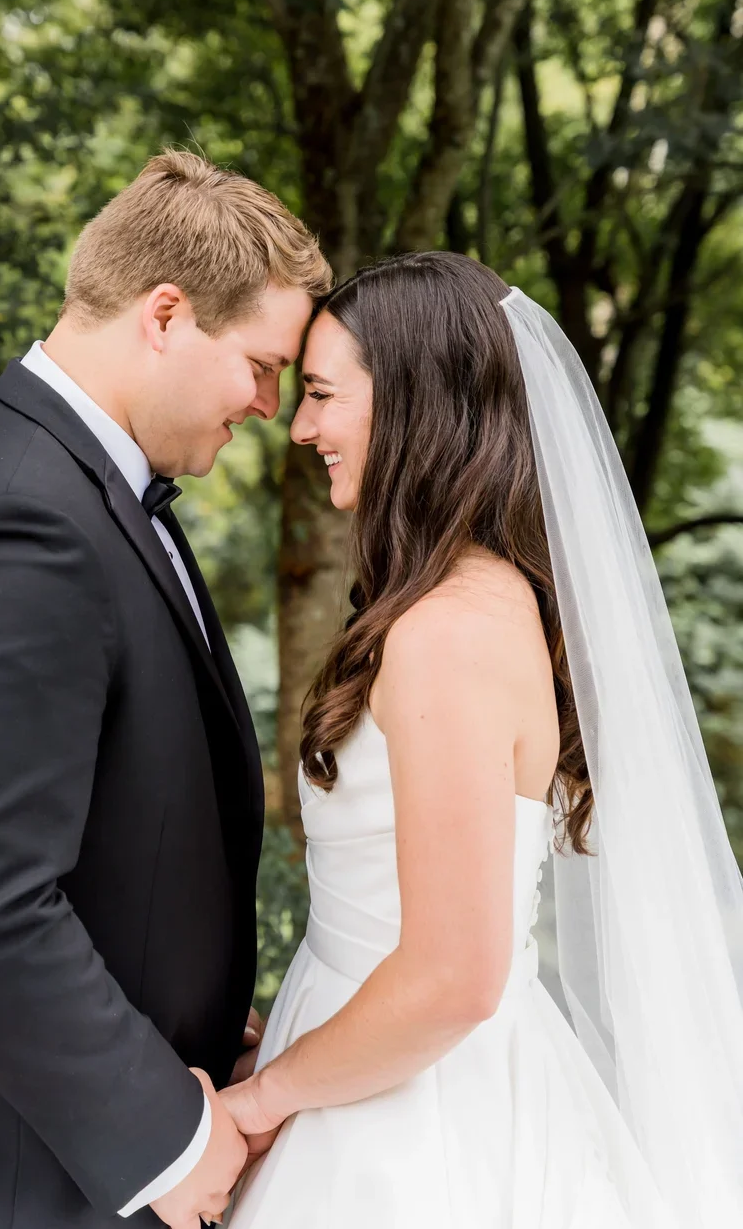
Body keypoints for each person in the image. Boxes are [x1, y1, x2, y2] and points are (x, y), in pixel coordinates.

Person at [0, 150, 332, 1229]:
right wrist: (160, 1135)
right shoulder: (24, 521)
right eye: (262, 364)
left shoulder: (76, 489)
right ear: (167, 314)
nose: (272, 406)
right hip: (0, 1176)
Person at [222, 251, 743, 1228]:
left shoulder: (446, 632)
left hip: (415, 1128)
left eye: (325, 394)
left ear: (417, 405)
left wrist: (257, 1101)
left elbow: (454, 977)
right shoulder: (461, 599)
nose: (300, 426)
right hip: (363, 1059)